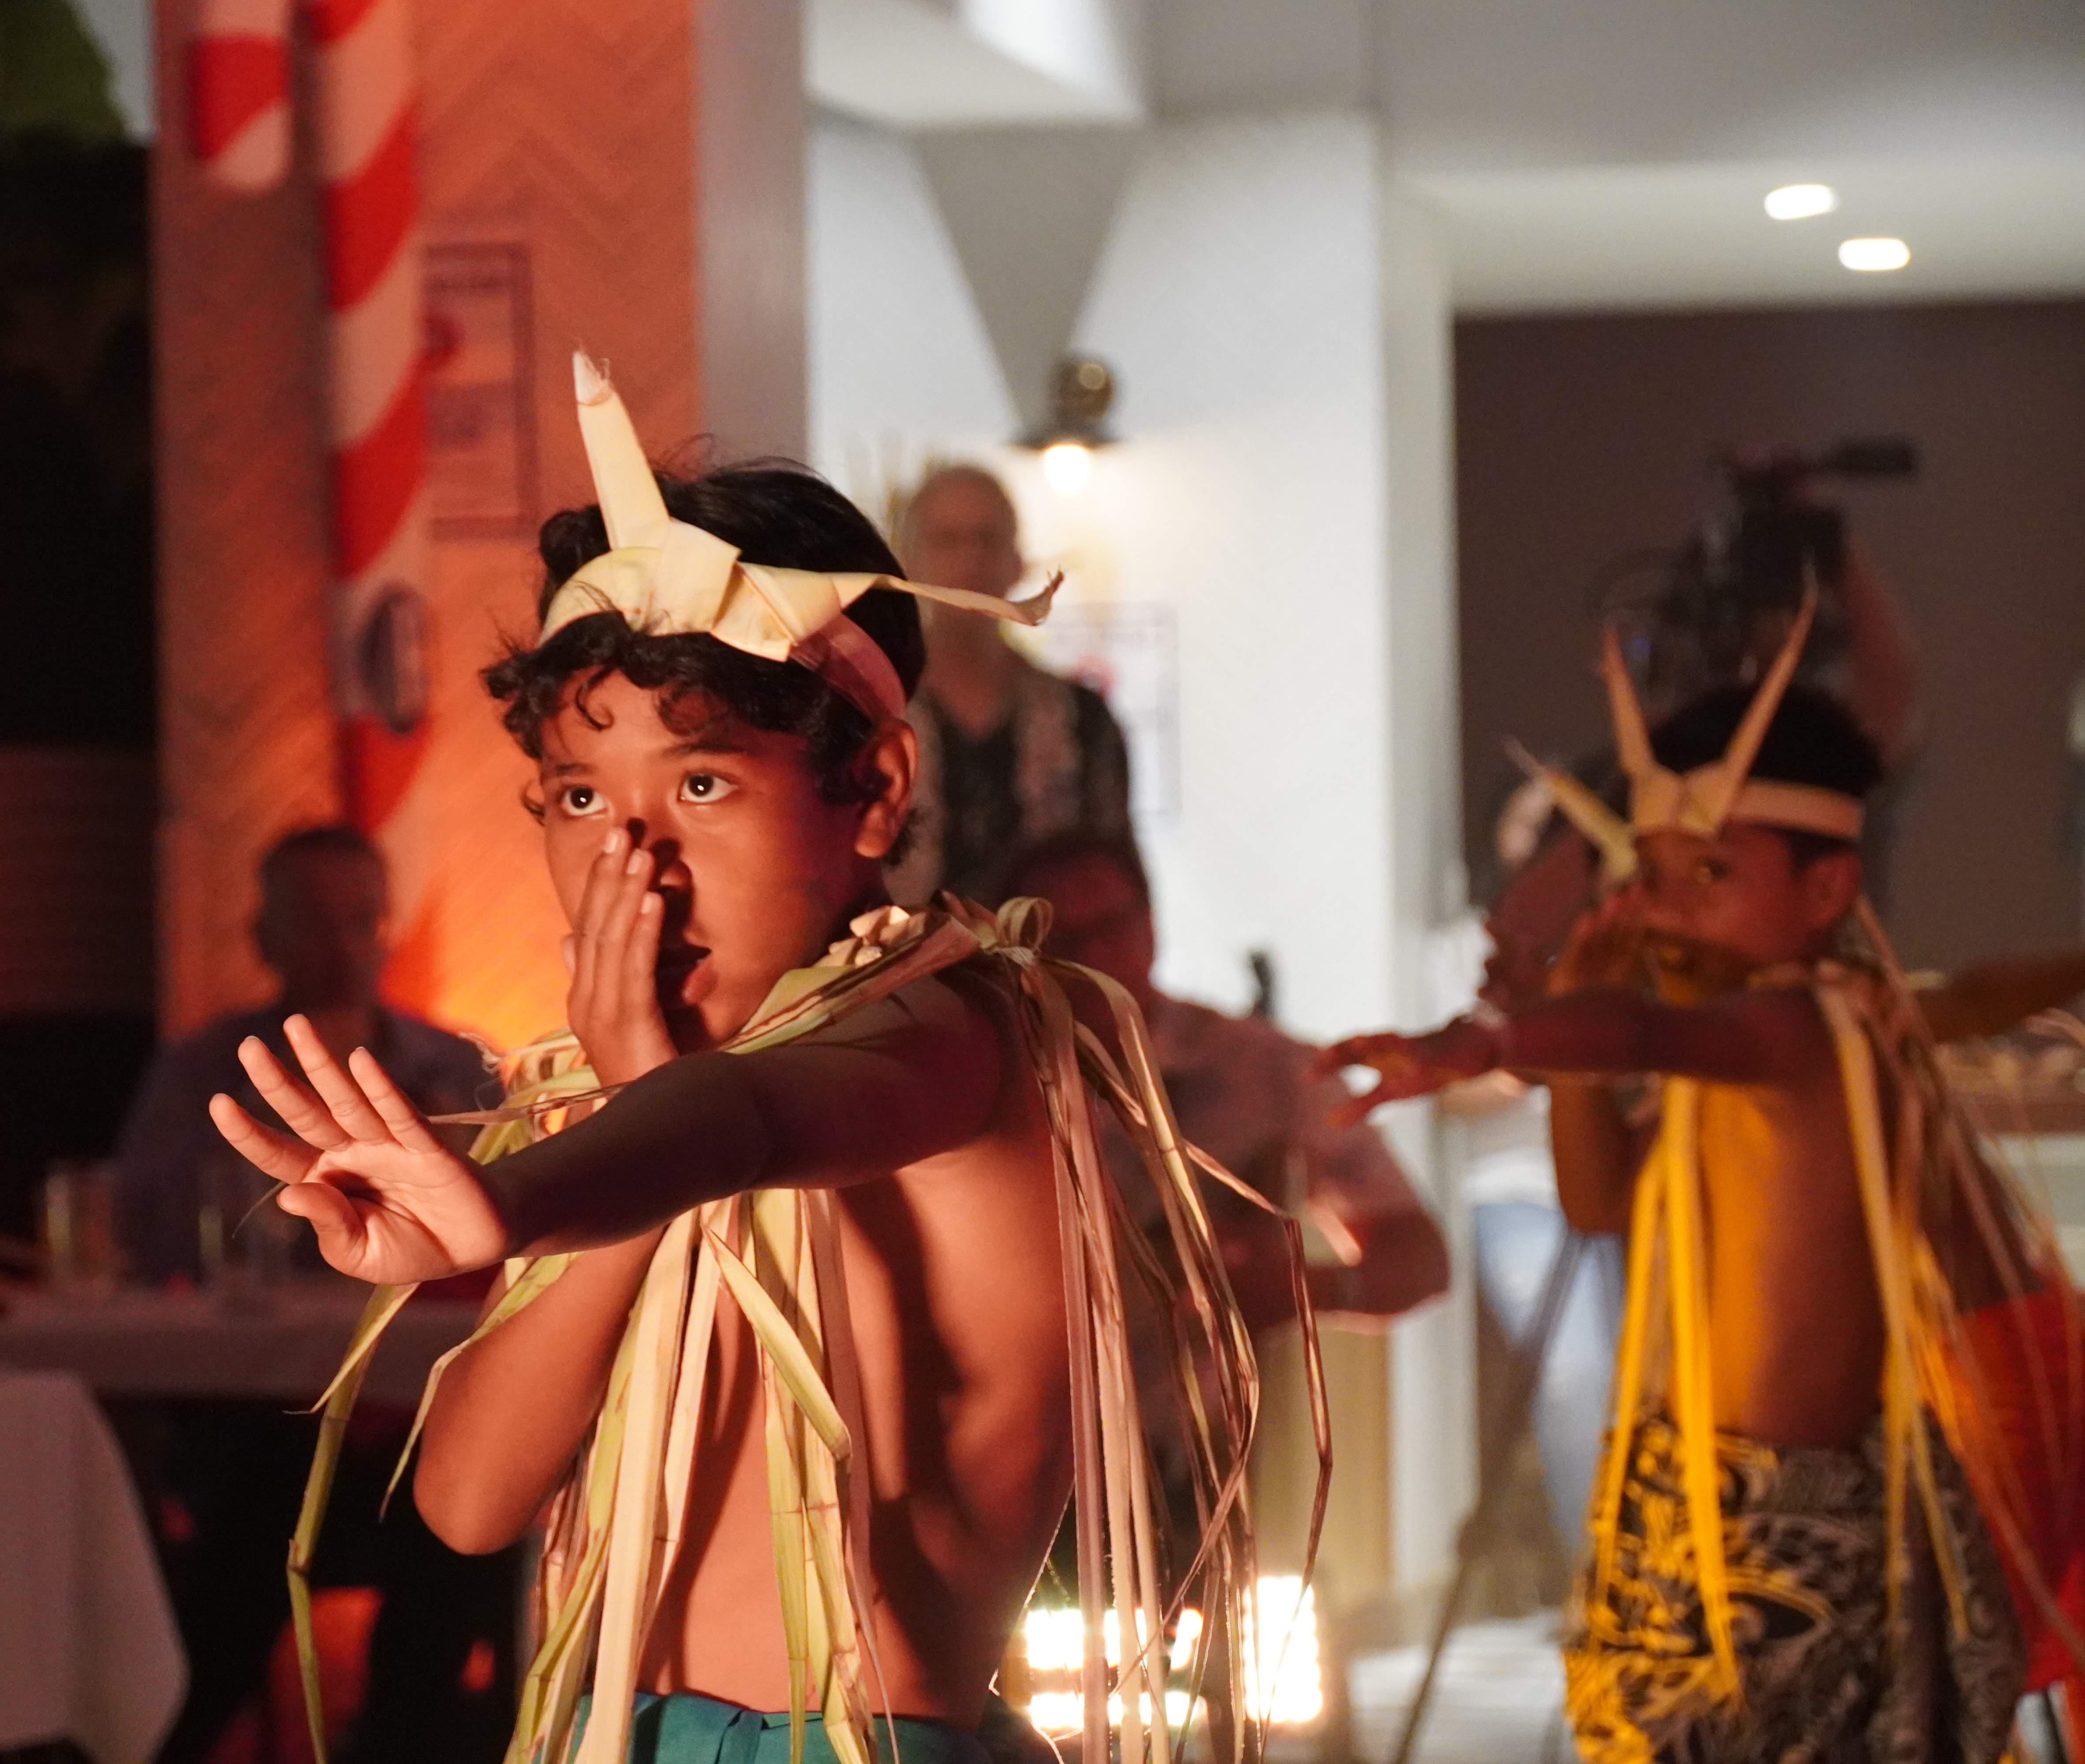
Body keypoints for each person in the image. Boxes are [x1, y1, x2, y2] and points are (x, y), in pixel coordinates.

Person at [212, 358, 1275, 1764]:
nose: (629, 857)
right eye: (581, 796)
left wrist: (530, 1190)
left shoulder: (946, 1035)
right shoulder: (636, 1109)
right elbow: (468, 1501)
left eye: (701, 783)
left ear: (876, 790)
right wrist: (592, 1142)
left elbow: (753, 1114)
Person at [1321, 610, 2076, 1763]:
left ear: (1828, 889)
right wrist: (1570, 1048)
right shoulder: (1722, 1045)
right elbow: (1598, 1203)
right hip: (1691, 1502)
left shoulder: (1803, 1027)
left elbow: (1625, 1023)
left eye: (1712, 873)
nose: (1671, 904)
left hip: (1786, 1524)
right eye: (1658, 874)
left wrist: (1491, 1039)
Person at [1005, 830, 1448, 1327]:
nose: (1092, 958)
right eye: (1061, 943)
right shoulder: (989, 1078)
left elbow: (1420, 1260)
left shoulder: (1266, 1068)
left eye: (1112, 928)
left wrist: (1295, 1289)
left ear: (1151, 926)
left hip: (1195, 1398)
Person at [112, 824, 487, 1286]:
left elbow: (516, 1225)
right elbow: (147, 1236)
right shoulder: (202, 1071)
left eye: (363, 921)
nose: (342, 949)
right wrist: (256, 1134)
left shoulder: (460, 1067)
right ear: (264, 939)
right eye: (315, 923)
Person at [886, 463, 1131, 904]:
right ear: (911, 562)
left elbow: (1118, 876)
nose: (970, 560)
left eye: (987, 539)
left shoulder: (1082, 719)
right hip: (903, 967)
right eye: (947, 541)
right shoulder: (871, 715)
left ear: (1016, 562)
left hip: (1049, 964)